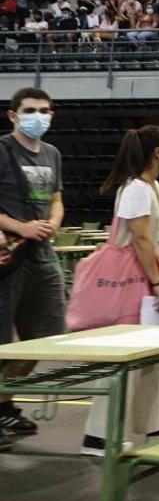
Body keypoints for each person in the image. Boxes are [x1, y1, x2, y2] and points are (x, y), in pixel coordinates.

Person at [81, 125, 159, 456]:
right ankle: (98, 435)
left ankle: (157, 418)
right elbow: (139, 239)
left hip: (147, 280)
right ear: (158, 152)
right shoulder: (136, 189)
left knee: (154, 355)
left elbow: (153, 241)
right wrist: (156, 281)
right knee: (124, 358)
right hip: (131, 285)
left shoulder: (154, 187)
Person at [0, 88, 65, 445]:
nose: (37, 116)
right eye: (29, 110)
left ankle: (3, 402)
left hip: (42, 253)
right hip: (9, 256)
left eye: (44, 110)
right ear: (13, 115)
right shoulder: (2, 149)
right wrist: (19, 226)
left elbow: (56, 199)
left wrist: (53, 221)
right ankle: (4, 407)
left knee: (46, 335)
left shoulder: (52, 153)